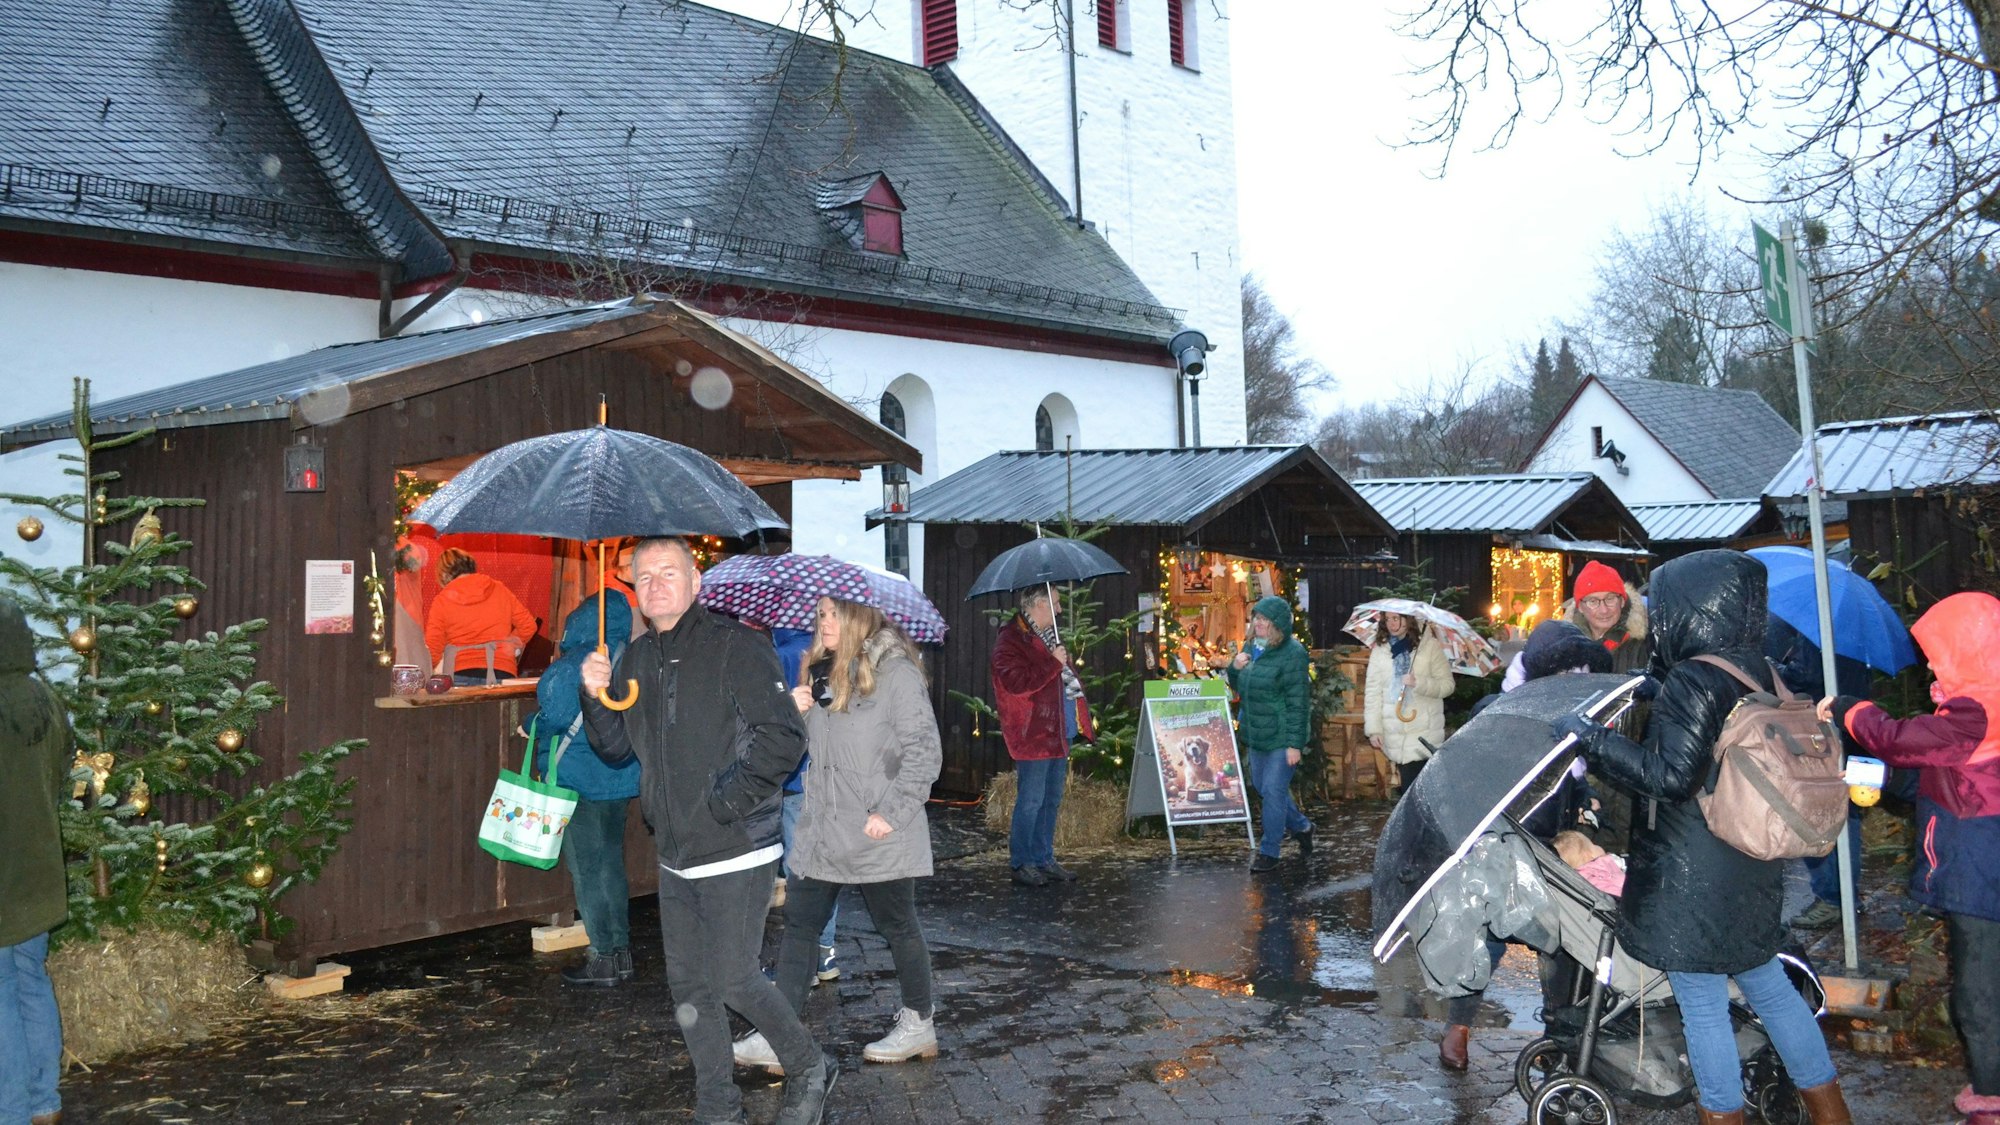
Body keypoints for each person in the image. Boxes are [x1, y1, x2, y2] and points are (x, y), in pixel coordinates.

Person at [1552, 550, 1850, 1125]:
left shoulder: (1695, 677)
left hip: (1692, 871)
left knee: (1703, 1001)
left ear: (1690, 607)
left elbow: (1669, 778)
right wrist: (1652, 689)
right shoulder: (1758, 669)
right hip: (1751, 861)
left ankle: (1722, 1115)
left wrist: (1590, 738)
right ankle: (1831, 1111)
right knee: (1766, 983)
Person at [580, 538, 833, 1125]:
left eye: (670, 573)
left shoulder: (735, 647)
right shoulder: (637, 659)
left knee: (734, 979)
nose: (657, 584)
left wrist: (726, 802)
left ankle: (809, 1064)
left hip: (736, 846)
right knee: (690, 988)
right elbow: (616, 749)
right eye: (644, 577)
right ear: (635, 593)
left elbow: (783, 737)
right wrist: (594, 698)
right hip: (675, 854)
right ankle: (718, 1105)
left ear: (697, 584)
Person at [735, 597, 943, 1072]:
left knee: (898, 927)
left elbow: (925, 752)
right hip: (823, 828)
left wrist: (891, 813)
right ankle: (780, 1039)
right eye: (820, 614)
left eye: (833, 614)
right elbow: (801, 753)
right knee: (802, 927)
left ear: (859, 617)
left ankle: (918, 1023)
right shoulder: (823, 673)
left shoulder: (896, 674)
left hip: (877, 829)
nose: (823, 622)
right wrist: (794, 713)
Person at [1819, 591, 2000, 1125]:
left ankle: (1992, 1100)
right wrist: (1882, 779)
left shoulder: (1980, 707)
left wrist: (1853, 710)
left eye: (1939, 653)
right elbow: (1943, 774)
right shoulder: (1981, 702)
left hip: (1981, 868)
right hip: (1981, 862)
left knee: (1979, 994)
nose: (1931, 664)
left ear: (1968, 648)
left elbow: (1897, 740)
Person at [526, 589, 641, 988]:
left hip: (578, 782)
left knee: (588, 870)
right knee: (611, 863)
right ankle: (621, 951)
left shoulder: (573, 665)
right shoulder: (633, 661)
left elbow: (554, 715)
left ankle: (603, 957)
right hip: (620, 780)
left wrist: (531, 724)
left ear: (580, 621)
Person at [1, 597, 70, 1125]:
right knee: (30, 979)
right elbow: (59, 782)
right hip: (40, 869)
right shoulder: (45, 699)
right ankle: (43, 1103)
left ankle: (12, 1109)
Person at [1767, 616, 1874, 931]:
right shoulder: (1852, 630)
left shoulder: (1821, 630)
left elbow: (1808, 676)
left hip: (1826, 736)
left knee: (1824, 816)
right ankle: (1844, 894)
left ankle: (1833, 898)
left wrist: (1774, 665)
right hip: (1852, 729)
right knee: (1843, 815)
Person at [991, 587, 1092, 888]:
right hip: (1033, 733)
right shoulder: (1010, 641)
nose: (1060, 611)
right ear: (1037, 605)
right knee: (1031, 800)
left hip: (1059, 730)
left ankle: (1043, 857)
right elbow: (1016, 684)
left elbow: (1057, 678)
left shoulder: (1048, 638)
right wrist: (1053, 663)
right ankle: (1022, 862)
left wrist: (1059, 662)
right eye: (1056, 604)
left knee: (1051, 799)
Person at [1225, 595, 1315, 874]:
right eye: (1257, 618)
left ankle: (1269, 851)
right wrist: (1234, 668)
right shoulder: (1252, 647)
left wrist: (1294, 744)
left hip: (1281, 736)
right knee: (1264, 789)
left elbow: (1298, 702)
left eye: (1265, 619)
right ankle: (1302, 826)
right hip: (1256, 734)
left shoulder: (1293, 653)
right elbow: (1243, 688)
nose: (1259, 623)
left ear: (1278, 624)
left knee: (1274, 791)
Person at [770, 626, 839, 983]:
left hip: (797, 778)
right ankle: (825, 952)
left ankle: (804, 960)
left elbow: (777, 722)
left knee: (800, 870)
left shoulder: (785, 654)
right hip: (825, 780)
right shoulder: (828, 654)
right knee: (821, 867)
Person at [1363, 611, 1453, 792]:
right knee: (1409, 793)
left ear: (1408, 620)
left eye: (1396, 618)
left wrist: (1418, 683)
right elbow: (1373, 693)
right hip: (1395, 734)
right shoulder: (1380, 651)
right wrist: (1374, 730)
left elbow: (1447, 686)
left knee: (1417, 794)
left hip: (1423, 734)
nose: (1391, 624)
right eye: (1387, 619)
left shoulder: (1429, 647)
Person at [425, 548, 538, 685]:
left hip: (460, 671)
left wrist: (426, 674)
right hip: (501, 670)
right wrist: (511, 643)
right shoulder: (499, 589)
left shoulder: (442, 600)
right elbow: (528, 625)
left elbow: (434, 646)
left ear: (443, 575)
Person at [1557, 560, 1652, 674]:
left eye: (1610, 599)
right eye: (1593, 601)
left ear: (1622, 601)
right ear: (1580, 607)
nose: (1604, 610)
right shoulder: (1565, 648)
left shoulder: (1645, 645)